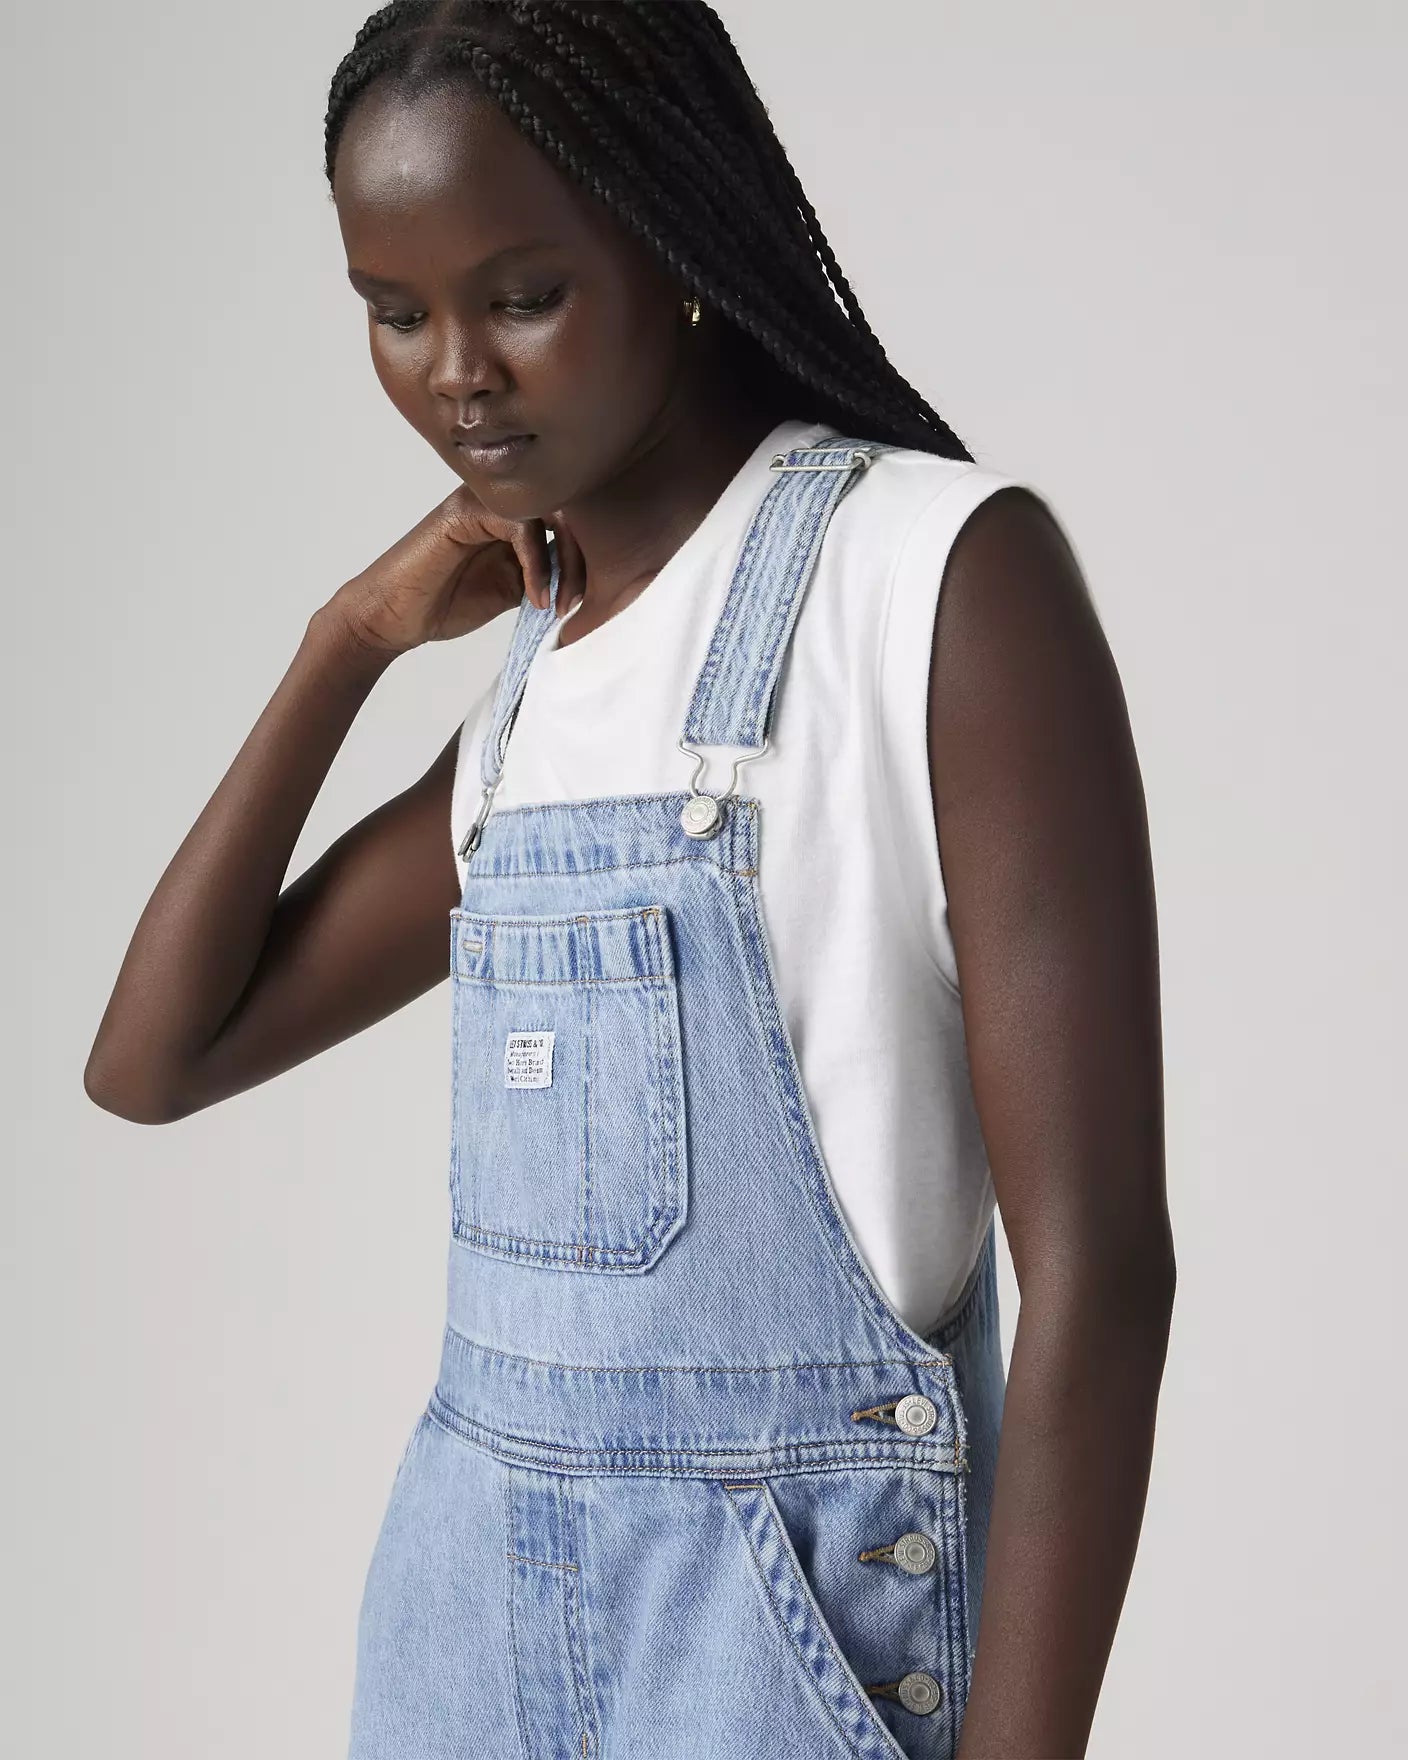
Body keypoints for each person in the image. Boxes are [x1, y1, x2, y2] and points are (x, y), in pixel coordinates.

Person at [84, 4, 1174, 1756]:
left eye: (522, 295)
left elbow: (1104, 1275)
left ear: (672, 246)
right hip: (456, 1647)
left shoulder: (937, 583)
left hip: (778, 1670)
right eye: (394, 312)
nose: (458, 373)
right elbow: (154, 1060)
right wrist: (345, 642)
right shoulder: (536, 691)